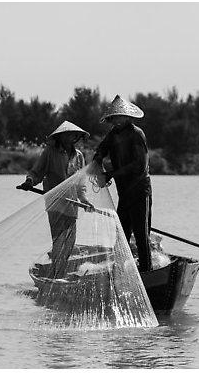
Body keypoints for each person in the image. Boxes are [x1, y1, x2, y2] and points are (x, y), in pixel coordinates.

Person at [17, 120, 92, 278]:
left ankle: (61, 272)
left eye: (73, 135)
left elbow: (81, 183)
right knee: (58, 241)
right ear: (60, 136)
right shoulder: (50, 152)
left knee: (70, 243)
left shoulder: (78, 156)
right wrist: (29, 181)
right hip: (56, 204)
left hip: (72, 205)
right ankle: (57, 275)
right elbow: (37, 171)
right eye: (67, 134)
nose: (70, 137)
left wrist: (84, 200)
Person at [92, 95, 153, 272]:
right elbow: (102, 148)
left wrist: (112, 173)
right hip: (124, 193)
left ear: (127, 117)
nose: (117, 120)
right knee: (122, 235)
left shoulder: (136, 134)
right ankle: (120, 271)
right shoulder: (113, 134)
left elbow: (139, 165)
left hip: (140, 191)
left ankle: (146, 271)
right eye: (114, 118)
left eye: (120, 117)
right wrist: (98, 159)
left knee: (141, 235)